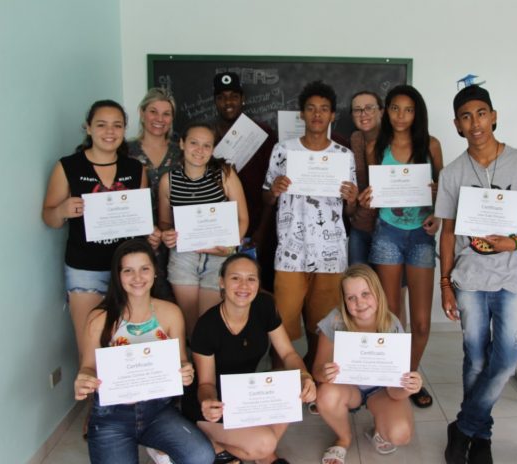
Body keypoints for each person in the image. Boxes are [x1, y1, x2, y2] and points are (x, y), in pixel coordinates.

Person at [435, 83, 517, 464]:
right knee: (476, 359)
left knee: (507, 358)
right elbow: (448, 233)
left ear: (493, 116)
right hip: (470, 278)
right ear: (457, 125)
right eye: (466, 117)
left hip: (513, 277)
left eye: (481, 113)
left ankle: (463, 427)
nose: (475, 123)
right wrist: (445, 284)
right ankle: (482, 437)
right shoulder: (452, 173)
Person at [73, 239, 215, 464]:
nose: (137, 277)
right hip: (112, 416)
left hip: (157, 411)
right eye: (128, 270)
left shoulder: (170, 313)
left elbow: (181, 362)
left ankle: (158, 447)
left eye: (144, 269)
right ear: (118, 275)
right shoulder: (99, 318)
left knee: (201, 456)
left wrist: (186, 371)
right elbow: (88, 367)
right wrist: (84, 380)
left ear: (155, 272)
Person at [42, 100, 160, 358]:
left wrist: (151, 232)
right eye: (101, 125)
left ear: (124, 129)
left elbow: (140, 219)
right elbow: (49, 217)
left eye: (117, 125)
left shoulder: (134, 168)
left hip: (129, 270)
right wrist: (61, 210)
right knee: (91, 345)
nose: (110, 131)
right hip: (86, 268)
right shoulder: (68, 167)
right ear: (88, 128)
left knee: (129, 344)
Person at [183, 253, 316, 464]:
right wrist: (209, 403)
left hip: (246, 393)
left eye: (251, 278)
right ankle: (220, 445)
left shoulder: (264, 306)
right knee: (264, 442)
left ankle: (245, 453)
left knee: (290, 389)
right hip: (212, 403)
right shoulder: (207, 326)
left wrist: (305, 376)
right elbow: (206, 384)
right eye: (235, 278)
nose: (244, 286)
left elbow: (288, 354)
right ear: (222, 282)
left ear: (258, 283)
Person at [263, 80, 358, 370]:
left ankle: (316, 378)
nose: (317, 114)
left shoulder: (344, 156)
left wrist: (352, 199)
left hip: (330, 255)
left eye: (324, 109)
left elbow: (350, 211)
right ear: (302, 114)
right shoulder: (283, 150)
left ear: (332, 115)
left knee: (323, 327)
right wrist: (274, 190)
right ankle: (281, 381)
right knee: (281, 326)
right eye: (311, 108)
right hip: (290, 255)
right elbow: (266, 198)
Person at [359, 84, 443, 408]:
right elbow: (374, 194)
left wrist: (437, 201)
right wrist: (367, 198)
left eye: (408, 110)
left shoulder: (431, 145)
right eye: (395, 108)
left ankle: (410, 376)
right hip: (388, 233)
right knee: (393, 317)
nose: (401, 116)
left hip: (421, 234)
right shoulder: (376, 148)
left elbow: (444, 193)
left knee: (421, 321)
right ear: (386, 111)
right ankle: (393, 379)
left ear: (417, 113)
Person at [313, 264, 422, 464]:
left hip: (382, 390)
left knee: (400, 434)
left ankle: (378, 430)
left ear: (378, 293)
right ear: (344, 300)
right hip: (348, 387)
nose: (359, 302)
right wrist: (324, 373)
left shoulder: (391, 324)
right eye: (351, 298)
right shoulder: (335, 320)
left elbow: (395, 391)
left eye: (365, 294)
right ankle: (344, 438)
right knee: (326, 395)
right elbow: (317, 369)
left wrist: (408, 388)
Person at [158, 121, 249, 339]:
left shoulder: (224, 174)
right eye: (194, 143)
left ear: (213, 149)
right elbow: (164, 223)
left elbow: (243, 219)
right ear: (182, 144)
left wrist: (229, 247)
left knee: (210, 322)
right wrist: (166, 234)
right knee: (191, 326)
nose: (200, 150)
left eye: (207, 145)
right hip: (184, 257)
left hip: (218, 255)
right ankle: (194, 361)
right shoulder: (168, 181)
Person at [212, 72, 278, 291]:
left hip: (260, 226)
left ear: (243, 99)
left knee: (259, 286)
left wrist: (261, 230)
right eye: (221, 97)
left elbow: (272, 186)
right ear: (215, 101)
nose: (228, 102)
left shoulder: (262, 133)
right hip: (218, 228)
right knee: (222, 286)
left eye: (234, 96)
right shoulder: (207, 138)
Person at [129, 87, 181, 299]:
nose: (159, 119)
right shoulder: (124, 151)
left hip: (177, 238)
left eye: (166, 113)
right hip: (135, 238)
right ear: (142, 113)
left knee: (175, 299)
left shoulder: (183, 150)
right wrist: (144, 228)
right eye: (153, 111)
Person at [348, 90, 383, 264]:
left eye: (369, 108)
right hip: (361, 225)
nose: (363, 114)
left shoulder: (398, 140)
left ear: (381, 111)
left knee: (389, 282)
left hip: (390, 227)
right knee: (356, 277)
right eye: (357, 109)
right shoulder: (355, 139)